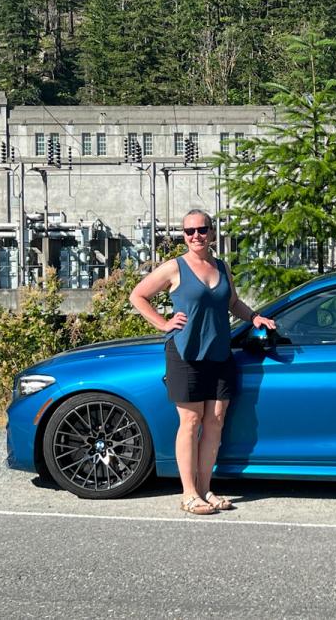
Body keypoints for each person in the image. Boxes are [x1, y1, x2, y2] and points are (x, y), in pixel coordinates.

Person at [129, 209, 275, 515]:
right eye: (189, 231)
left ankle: (206, 489)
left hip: (219, 353)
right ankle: (188, 493)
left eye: (202, 230)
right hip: (185, 354)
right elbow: (138, 296)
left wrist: (254, 316)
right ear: (183, 235)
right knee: (191, 422)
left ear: (211, 232)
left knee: (215, 422)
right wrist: (162, 322)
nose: (196, 235)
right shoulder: (174, 267)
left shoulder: (221, 267)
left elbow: (232, 302)